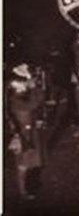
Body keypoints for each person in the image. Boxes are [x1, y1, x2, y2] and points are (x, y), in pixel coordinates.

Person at [6, 64, 46, 199]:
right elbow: (35, 103)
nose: (25, 84)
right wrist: (33, 85)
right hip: (23, 136)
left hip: (28, 133)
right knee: (22, 164)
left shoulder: (20, 97)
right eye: (22, 82)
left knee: (30, 162)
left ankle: (28, 187)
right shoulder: (16, 100)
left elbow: (39, 100)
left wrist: (32, 85)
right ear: (15, 85)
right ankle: (23, 191)